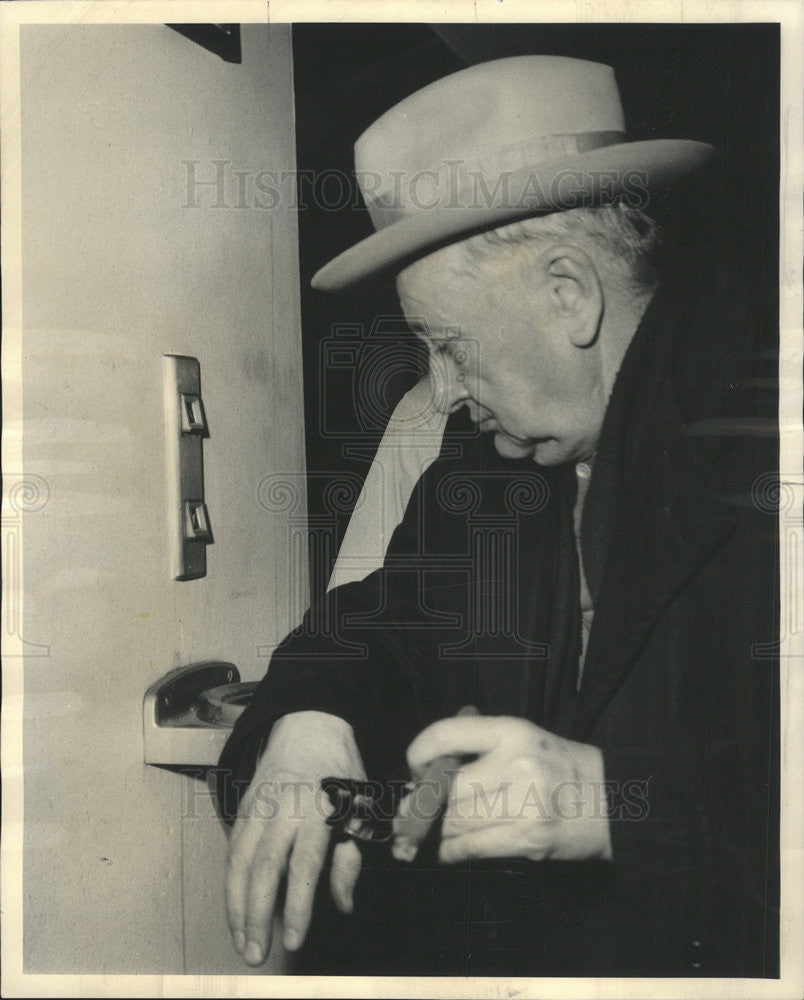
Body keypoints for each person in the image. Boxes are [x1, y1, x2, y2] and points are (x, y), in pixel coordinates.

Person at [216, 56, 779, 977]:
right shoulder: (487, 463)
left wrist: (615, 805)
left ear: (571, 293)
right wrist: (309, 715)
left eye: (449, 346)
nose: (439, 391)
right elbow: (374, 626)